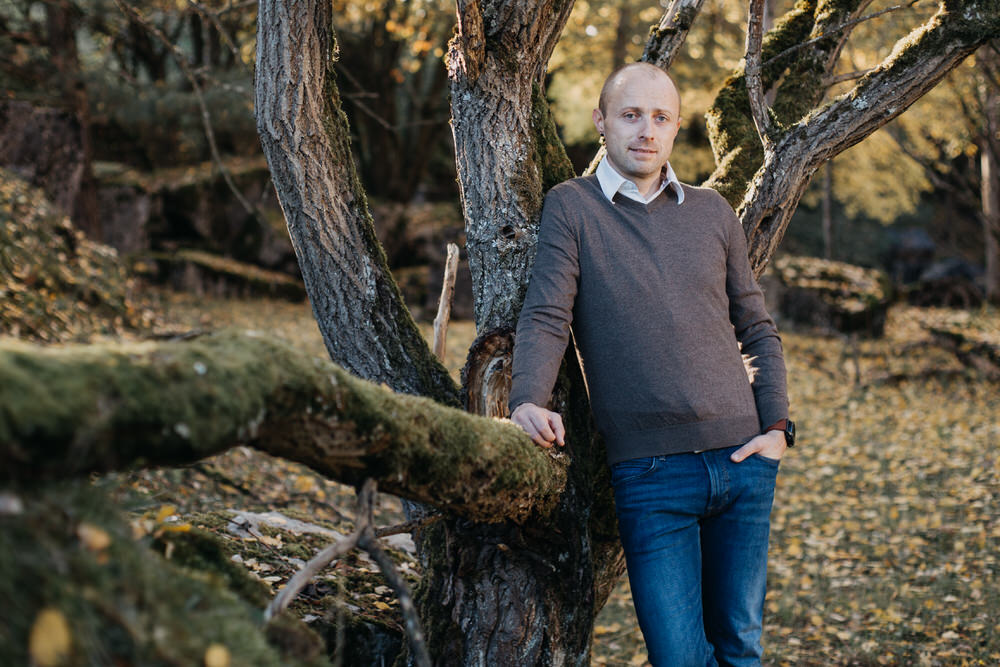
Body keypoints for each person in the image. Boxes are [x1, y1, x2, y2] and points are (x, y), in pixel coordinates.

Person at [508, 62, 794, 667]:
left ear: (676, 128)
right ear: (602, 121)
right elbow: (546, 314)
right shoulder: (573, 207)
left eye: (660, 117)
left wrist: (776, 429)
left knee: (742, 647)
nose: (645, 130)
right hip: (650, 473)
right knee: (679, 658)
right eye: (631, 114)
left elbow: (757, 329)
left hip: (744, 462)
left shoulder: (714, 213)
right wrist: (526, 398)